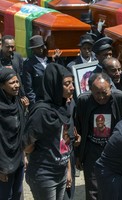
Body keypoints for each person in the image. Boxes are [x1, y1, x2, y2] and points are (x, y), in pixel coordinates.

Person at [23, 63, 75, 200]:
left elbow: (65, 143)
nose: (72, 87)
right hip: (44, 174)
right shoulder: (41, 112)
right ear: (55, 85)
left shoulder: (64, 107)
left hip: (61, 171)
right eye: (67, 84)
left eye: (72, 83)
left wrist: (68, 170)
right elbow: (27, 146)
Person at [75, 72, 122, 200]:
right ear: (90, 90)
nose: (101, 97)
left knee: (113, 185)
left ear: (110, 87)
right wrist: (78, 155)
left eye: (104, 92)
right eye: (97, 93)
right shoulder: (83, 100)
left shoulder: (120, 97)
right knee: (93, 188)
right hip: (92, 149)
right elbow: (78, 128)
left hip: (113, 149)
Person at [0, 67, 25, 200]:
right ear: (2, 85)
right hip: (4, 163)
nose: (16, 86)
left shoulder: (17, 103)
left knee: (17, 193)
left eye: (17, 82)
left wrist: (23, 155)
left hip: (18, 158)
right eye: (12, 83)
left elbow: (20, 131)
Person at [22, 35, 62, 106]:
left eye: (41, 46)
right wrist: (35, 104)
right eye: (37, 48)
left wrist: (55, 60)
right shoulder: (28, 64)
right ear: (33, 49)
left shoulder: (50, 60)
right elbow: (28, 88)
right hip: (39, 101)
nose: (40, 49)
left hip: (53, 99)